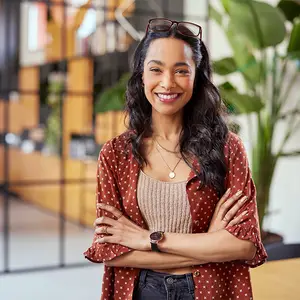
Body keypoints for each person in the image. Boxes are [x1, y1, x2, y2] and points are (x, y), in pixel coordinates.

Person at [84, 18, 267, 300]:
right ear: (142, 76)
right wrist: (209, 245)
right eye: (156, 69)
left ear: (197, 77)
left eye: (181, 70)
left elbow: (245, 246)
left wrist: (147, 240)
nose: (167, 83)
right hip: (141, 290)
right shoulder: (115, 155)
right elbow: (110, 253)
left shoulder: (228, 149)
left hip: (211, 291)